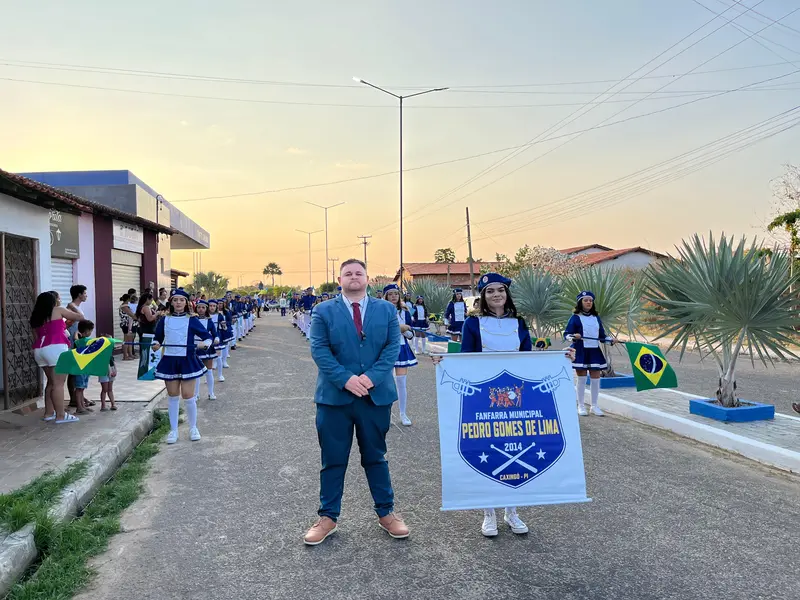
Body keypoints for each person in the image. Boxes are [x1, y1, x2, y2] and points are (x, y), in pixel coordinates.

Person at [432, 273, 576, 538]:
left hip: (516, 397)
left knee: (517, 445)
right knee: (488, 448)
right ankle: (489, 512)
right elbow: (466, 358)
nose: (496, 295)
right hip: (485, 397)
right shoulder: (473, 324)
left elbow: (528, 359)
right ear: (483, 297)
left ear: (507, 294)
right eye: (490, 291)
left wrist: (562, 357)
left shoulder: (519, 323)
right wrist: (444, 364)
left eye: (500, 290)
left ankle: (512, 511)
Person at [303, 258, 407, 545]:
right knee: (333, 459)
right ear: (340, 279)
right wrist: (346, 379)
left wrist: (371, 378)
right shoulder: (323, 311)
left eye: (358, 273)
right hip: (335, 397)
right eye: (348, 273)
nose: (353, 277)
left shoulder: (386, 310)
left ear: (367, 279)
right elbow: (319, 349)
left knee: (376, 456)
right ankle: (327, 517)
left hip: (375, 396)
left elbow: (391, 346)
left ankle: (387, 513)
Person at [152, 289, 213, 444]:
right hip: (170, 360)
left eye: (181, 300)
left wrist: (204, 345)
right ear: (171, 302)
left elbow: (207, 337)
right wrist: (155, 344)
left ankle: (193, 427)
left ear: (186, 303)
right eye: (175, 300)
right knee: (173, 396)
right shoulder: (164, 320)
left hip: (187, 360)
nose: (178, 303)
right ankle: (173, 431)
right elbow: (157, 338)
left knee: (188, 396)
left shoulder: (192, 320)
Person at [30, 291, 86, 423]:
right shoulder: (58, 310)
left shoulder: (36, 317)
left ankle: (49, 413)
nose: (60, 300)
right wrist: (72, 306)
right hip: (56, 348)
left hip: (40, 350)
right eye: (58, 298)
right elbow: (81, 317)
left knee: (51, 383)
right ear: (53, 301)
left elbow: (38, 336)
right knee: (59, 384)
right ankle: (61, 415)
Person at [564, 291, 618, 417]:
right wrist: (574, 336)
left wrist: (611, 340)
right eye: (585, 300)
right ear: (580, 302)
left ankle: (594, 406)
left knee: (595, 378)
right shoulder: (575, 317)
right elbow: (566, 334)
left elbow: (602, 336)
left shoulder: (596, 318)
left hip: (594, 350)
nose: (588, 302)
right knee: (581, 379)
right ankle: (581, 405)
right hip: (581, 350)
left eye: (590, 300)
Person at [383, 284, 417, 426]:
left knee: (401, 383)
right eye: (390, 294)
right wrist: (398, 328)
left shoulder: (405, 311)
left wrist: (405, 330)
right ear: (386, 296)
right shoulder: (381, 311)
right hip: (385, 349)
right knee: (386, 383)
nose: (394, 296)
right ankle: (386, 413)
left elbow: (410, 333)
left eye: (396, 293)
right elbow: (379, 330)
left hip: (402, 348)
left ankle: (403, 413)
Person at [66, 284, 92, 408]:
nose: (86, 296)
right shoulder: (71, 307)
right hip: (72, 343)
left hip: (78, 343)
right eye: (85, 293)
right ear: (79, 294)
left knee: (77, 372)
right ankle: (74, 399)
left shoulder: (77, 307)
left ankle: (80, 397)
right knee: (72, 372)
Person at [193, 299, 219, 400]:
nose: (201, 309)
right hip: (195, 346)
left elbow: (214, 332)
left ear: (206, 309)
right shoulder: (192, 319)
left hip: (207, 347)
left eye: (203, 307)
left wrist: (216, 338)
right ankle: (196, 394)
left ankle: (211, 392)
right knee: (196, 372)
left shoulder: (209, 321)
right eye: (199, 307)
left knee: (209, 371)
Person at [72, 320, 95, 414]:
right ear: (86, 331)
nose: (91, 333)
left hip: (81, 367)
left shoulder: (78, 342)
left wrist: (77, 334)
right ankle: (79, 407)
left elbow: (76, 339)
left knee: (81, 388)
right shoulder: (88, 341)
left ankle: (82, 406)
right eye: (90, 331)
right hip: (82, 368)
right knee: (79, 388)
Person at [98, 333, 118, 411]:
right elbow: (105, 363)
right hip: (104, 371)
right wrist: (109, 372)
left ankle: (113, 404)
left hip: (111, 371)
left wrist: (115, 370)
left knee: (110, 389)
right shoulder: (102, 353)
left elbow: (113, 362)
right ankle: (103, 405)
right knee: (104, 389)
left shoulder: (110, 352)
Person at [119, 294, 136, 361]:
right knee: (126, 340)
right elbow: (132, 315)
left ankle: (130, 354)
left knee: (130, 340)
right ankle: (125, 356)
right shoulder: (125, 307)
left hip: (129, 324)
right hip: (126, 325)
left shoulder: (126, 306)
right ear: (128, 299)